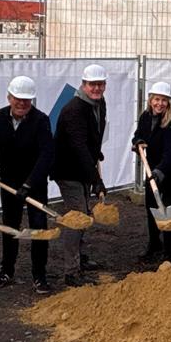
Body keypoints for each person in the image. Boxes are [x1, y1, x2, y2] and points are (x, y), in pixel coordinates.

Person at [0, 76, 55, 294]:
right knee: (10, 226)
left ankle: (39, 275)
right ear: (9, 97)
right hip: (8, 181)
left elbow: (46, 155)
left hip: (35, 182)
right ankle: (7, 270)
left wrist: (29, 184)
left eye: (26, 100)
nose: (22, 103)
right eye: (18, 99)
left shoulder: (40, 121)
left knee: (39, 227)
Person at [53, 64, 108, 286]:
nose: (96, 88)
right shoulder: (74, 109)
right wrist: (97, 180)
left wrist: (96, 152)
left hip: (84, 165)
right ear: (83, 84)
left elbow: (91, 135)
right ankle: (71, 271)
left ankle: (79, 257)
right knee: (77, 217)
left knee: (85, 214)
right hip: (68, 169)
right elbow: (78, 146)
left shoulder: (99, 103)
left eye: (100, 84)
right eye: (92, 84)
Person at [131, 81, 171, 263]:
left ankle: (169, 252)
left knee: (167, 209)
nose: (159, 104)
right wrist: (137, 141)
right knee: (151, 207)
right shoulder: (146, 117)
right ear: (150, 100)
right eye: (156, 99)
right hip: (151, 169)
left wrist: (159, 172)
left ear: (168, 102)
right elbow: (138, 134)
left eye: (164, 100)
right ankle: (154, 244)